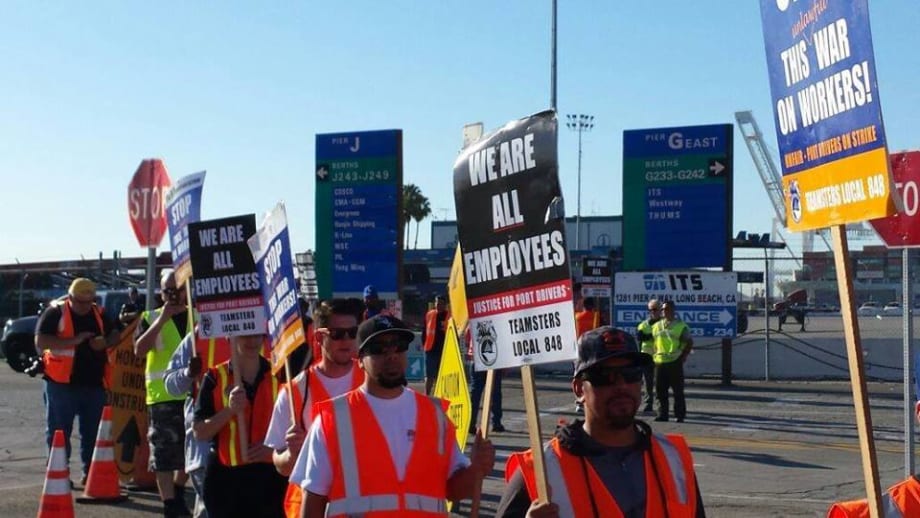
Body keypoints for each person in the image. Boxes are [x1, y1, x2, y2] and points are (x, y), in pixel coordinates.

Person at [297, 314, 496, 517]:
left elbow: (454, 491)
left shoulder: (435, 415)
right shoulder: (332, 419)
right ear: (360, 360)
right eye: (379, 349)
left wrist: (476, 469)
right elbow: (313, 499)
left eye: (399, 346)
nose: (391, 355)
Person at [496, 326, 705, 517]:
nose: (621, 385)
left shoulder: (673, 459)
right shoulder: (542, 470)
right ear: (579, 389)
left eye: (631, 374)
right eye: (604, 376)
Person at [264, 298, 365, 518]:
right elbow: (279, 463)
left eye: (352, 332)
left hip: (363, 505)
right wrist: (291, 455)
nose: (346, 340)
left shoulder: (372, 381)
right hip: (310, 508)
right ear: (319, 337)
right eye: (337, 334)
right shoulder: (294, 392)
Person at [35, 278, 120, 486]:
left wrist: (105, 342)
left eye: (88, 301)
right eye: (80, 302)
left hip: (94, 384)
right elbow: (40, 341)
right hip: (61, 383)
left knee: (93, 433)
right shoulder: (56, 312)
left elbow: (116, 333)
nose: (84, 306)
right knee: (58, 432)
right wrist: (74, 341)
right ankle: (58, 475)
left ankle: (91, 475)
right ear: (70, 297)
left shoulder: (99, 313)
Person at [193, 333, 287, 517]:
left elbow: (298, 428)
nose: (252, 341)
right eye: (244, 336)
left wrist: (275, 450)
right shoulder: (214, 377)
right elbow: (199, 432)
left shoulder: (280, 374)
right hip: (225, 481)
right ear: (229, 338)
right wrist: (229, 410)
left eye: (257, 335)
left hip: (270, 480)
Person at [135, 269, 193, 517]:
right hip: (163, 398)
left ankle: (179, 490)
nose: (174, 295)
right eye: (168, 290)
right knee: (164, 455)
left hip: (194, 394)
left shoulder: (198, 316)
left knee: (192, 451)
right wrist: (161, 321)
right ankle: (170, 503)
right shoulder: (150, 317)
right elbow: (139, 350)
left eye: (178, 289)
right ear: (161, 293)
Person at [164, 328, 233, 518]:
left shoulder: (257, 331)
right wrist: (188, 372)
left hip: (245, 449)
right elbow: (170, 385)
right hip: (203, 447)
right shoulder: (198, 336)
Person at [652, 300, 693, 423]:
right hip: (660, 362)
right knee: (660, 391)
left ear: (673, 311)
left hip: (674, 361)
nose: (665, 311)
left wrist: (683, 356)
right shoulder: (657, 326)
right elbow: (654, 343)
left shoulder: (680, 326)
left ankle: (680, 415)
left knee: (677, 391)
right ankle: (662, 414)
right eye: (663, 309)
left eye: (667, 309)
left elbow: (689, 342)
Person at [465, 325, 505, 434]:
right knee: (495, 392)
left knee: (475, 393)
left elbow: (467, 337)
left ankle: (470, 423)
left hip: (476, 358)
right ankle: (496, 422)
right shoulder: (495, 323)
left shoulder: (473, 322)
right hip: (492, 359)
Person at [635, 298, 662, 413]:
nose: (653, 312)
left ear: (660, 310)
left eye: (656, 309)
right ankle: (648, 404)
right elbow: (640, 338)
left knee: (661, 382)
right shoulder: (643, 325)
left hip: (661, 356)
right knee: (648, 382)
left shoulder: (664, 324)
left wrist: (649, 336)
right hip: (647, 357)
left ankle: (661, 405)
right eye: (651, 310)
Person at [422, 295, 450, 395]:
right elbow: (424, 331)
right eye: (437, 303)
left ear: (445, 305)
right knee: (429, 376)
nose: (439, 305)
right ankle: (426, 396)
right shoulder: (429, 314)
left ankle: (439, 396)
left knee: (441, 377)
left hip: (444, 351)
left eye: (441, 303)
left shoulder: (449, 316)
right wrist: (424, 345)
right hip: (430, 350)